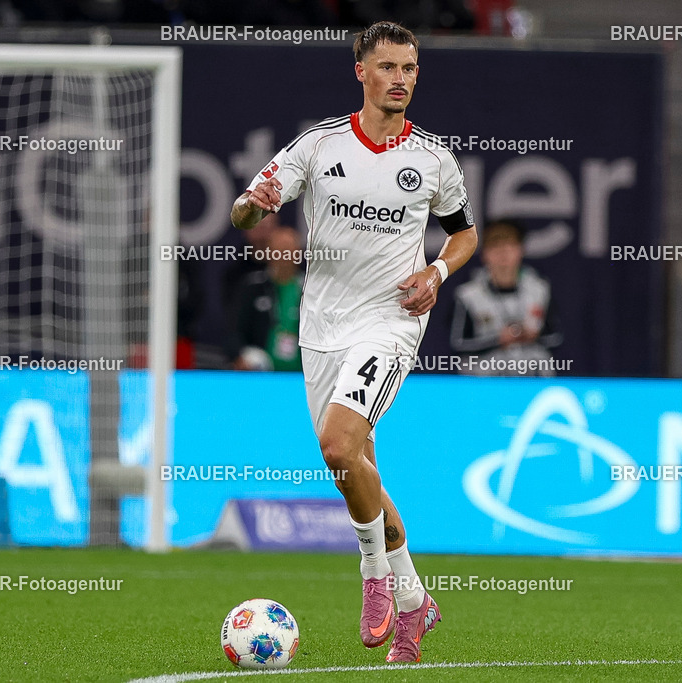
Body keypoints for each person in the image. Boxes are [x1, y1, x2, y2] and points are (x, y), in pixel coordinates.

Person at [229, 21, 478, 661]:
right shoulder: (319, 146)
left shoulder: (432, 159)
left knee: (337, 443)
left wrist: (439, 270)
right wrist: (253, 207)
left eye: (410, 68)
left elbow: (464, 233)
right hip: (323, 326)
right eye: (388, 67)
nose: (400, 79)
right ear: (361, 71)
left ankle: (373, 579)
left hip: (391, 320)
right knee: (351, 467)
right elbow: (247, 209)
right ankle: (417, 604)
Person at [450, 219, 561, 375]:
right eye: (495, 247)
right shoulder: (467, 295)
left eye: (510, 246)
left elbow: (556, 337)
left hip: (533, 378)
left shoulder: (539, 290)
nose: (503, 253)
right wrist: (498, 340)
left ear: (520, 250)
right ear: (484, 254)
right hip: (486, 380)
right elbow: (457, 344)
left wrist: (533, 336)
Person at [226, 226, 304, 372]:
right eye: (279, 251)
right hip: (262, 375)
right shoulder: (252, 287)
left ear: (298, 254)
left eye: (289, 251)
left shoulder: (310, 290)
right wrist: (239, 356)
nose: (284, 257)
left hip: (302, 375)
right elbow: (233, 331)